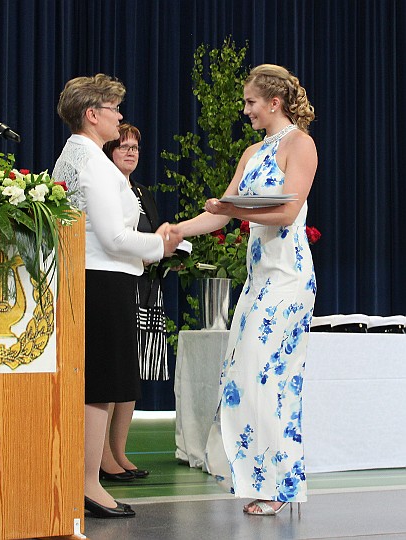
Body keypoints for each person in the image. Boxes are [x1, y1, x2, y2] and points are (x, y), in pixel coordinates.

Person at [176, 64, 317, 516]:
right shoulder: (253, 151)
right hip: (259, 280)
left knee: (268, 375)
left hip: (288, 277)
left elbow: (288, 213)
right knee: (242, 375)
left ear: (274, 103)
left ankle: (280, 484)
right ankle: (261, 476)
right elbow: (220, 211)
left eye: (250, 102)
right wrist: (176, 231)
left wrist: (234, 211)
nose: (245, 110)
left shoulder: (301, 145)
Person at [52, 74, 182, 518]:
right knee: (102, 385)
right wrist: (161, 244)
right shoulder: (94, 164)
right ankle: (89, 484)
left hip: (87, 278)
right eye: (113, 109)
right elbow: (113, 238)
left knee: (95, 383)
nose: (119, 115)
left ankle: (82, 479)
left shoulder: (73, 155)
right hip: (104, 281)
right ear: (92, 115)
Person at [98, 123, 169, 483]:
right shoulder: (105, 186)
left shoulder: (141, 191)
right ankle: (102, 457)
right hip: (116, 284)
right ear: (109, 151)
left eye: (135, 148)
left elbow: (152, 234)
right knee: (113, 371)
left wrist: (166, 251)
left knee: (131, 372)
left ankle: (119, 451)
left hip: (145, 287)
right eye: (123, 146)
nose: (131, 153)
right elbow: (112, 237)